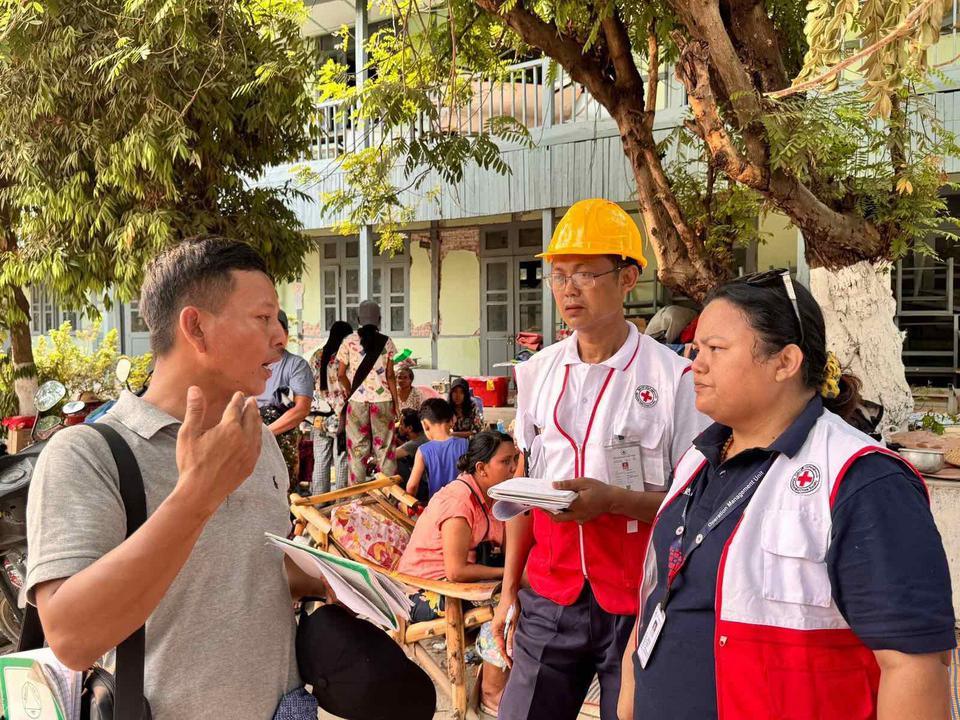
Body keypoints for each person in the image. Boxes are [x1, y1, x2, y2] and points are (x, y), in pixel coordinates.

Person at [619, 269, 955, 720]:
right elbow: (662, 588)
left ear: (785, 362)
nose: (693, 363)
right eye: (696, 348)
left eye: (715, 349)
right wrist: (629, 699)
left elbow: (913, 666)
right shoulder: (697, 459)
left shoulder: (863, 481)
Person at [25, 238, 334, 720]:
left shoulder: (259, 439)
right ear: (196, 327)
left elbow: (246, 568)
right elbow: (72, 639)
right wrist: (197, 495)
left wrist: (332, 578)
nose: (280, 337)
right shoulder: (89, 453)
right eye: (263, 318)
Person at [491, 198, 709, 720]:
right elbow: (524, 490)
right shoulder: (537, 374)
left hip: (639, 599)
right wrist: (508, 592)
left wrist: (612, 501)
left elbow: (696, 507)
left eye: (586, 274)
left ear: (628, 277)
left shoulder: (673, 380)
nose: (569, 289)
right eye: (558, 275)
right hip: (550, 591)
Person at [396, 431, 515, 713]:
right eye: (506, 462)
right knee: (503, 603)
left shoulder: (486, 496)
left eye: (515, 461)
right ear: (481, 468)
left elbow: (507, 543)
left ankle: (499, 671)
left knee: (519, 593)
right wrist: (509, 575)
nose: (512, 469)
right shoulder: (459, 501)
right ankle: (491, 693)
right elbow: (457, 570)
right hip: (422, 594)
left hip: (449, 585)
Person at [337, 300, 400, 485]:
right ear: (379, 319)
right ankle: (389, 496)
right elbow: (390, 376)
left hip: (357, 402)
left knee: (357, 450)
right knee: (385, 450)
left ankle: (355, 498)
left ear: (358, 319)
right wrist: (396, 404)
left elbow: (340, 374)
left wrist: (350, 391)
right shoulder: (387, 341)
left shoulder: (348, 341)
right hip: (383, 401)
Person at [256, 309, 315, 491]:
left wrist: (266, 433)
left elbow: (301, 409)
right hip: (249, 432)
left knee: (282, 490)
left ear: (286, 335)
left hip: (280, 437)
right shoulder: (247, 362)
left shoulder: (296, 365)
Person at [309, 320, 353, 494]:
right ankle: (340, 502)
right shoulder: (346, 357)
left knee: (320, 460)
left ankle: (319, 505)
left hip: (320, 415)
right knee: (342, 458)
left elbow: (310, 383)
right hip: (342, 415)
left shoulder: (317, 355)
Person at [406, 398, 470, 503]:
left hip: (437, 507)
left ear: (425, 425)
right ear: (451, 421)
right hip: (463, 504)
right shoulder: (465, 444)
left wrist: (409, 503)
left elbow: (412, 486)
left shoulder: (423, 451)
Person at [395, 408, 427, 485]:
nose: (399, 426)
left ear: (409, 428)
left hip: (423, 483)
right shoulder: (423, 435)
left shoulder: (415, 443)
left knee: (394, 463)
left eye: (402, 424)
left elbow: (391, 455)